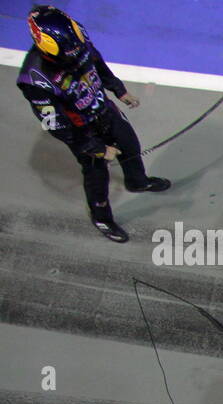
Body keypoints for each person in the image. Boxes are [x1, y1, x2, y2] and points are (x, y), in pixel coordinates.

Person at [16, 6, 171, 242]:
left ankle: (138, 182)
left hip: (105, 110)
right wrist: (95, 147)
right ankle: (102, 217)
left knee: (130, 145)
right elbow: (56, 125)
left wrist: (118, 90)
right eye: (72, 54)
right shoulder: (35, 78)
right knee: (97, 175)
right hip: (82, 131)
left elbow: (97, 63)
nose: (78, 55)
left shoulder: (77, 44)